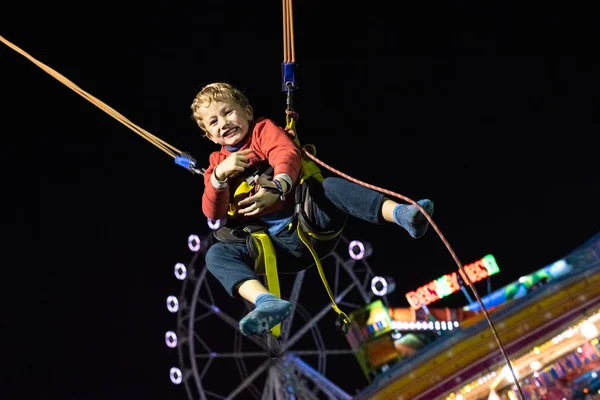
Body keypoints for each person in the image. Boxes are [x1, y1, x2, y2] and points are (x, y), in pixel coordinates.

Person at [190, 82, 434, 337]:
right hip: (275, 249)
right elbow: (213, 212)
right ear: (209, 135)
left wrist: (275, 188)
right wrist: (219, 177)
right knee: (216, 254)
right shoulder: (216, 164)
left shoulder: (263, 131)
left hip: (310, 225)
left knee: (330, 186)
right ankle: (266, 302)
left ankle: (403, 215)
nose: (224, 123)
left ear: (248, 112)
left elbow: (285, 154)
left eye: (228, 112)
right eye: (214, 122)